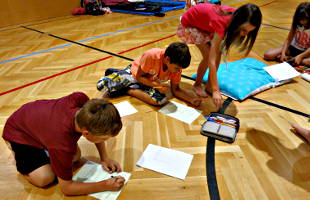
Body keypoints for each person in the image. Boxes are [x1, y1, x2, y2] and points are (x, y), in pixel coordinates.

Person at [2, 92, 125, 195]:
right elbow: (66, 188)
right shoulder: (62, 144)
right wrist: (104, 185)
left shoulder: (83, 102)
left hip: (33, 119)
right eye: (103, 139)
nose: (105, 142)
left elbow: (94, 128)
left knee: (75, 157)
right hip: (18, 133)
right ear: (86, 133)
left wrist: (104, 158)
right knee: (45, 178)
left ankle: (46, 150)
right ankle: (19, 157)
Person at [176, 3, 262, 108]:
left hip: (204, 24)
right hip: (191, 23)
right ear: (238, 22)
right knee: (208, 56)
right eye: (243, 30)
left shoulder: (240, 16)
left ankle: (208, 86)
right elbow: (212, 60)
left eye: (248, 32)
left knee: (218, 53)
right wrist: (216, 90)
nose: (244, 34)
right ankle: (197, 85)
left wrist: (212, 86)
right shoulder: (221, 22)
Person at [96, 42, 202, 107]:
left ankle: (128, 89)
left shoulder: (177, 67)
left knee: (160, 101)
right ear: (167, 59)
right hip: (135, 74)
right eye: (176, 68)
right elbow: (139, 76)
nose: (178, 71)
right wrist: (157, 86)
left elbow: (176, 90)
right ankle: (120, 75)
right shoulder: (151, 55)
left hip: (150, 81)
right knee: (102, 85)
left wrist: (191, 99)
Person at [264, 2, 310, 67]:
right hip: (292, 48)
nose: (301, 22)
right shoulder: (296, 23)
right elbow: (289, 39)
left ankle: (294, 59)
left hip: (306, 53)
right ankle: (294, 59)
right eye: (300, 19)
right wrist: (283, 53)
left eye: (304, 19)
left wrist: (300, 56)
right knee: (267, 55)